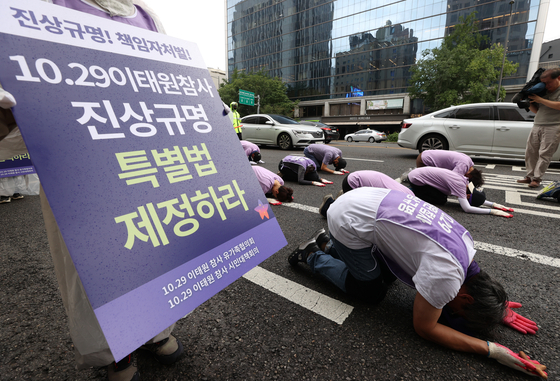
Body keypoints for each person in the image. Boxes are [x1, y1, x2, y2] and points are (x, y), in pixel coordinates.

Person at [0, 1, 183, 380]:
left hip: (150, 159)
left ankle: (156, 330)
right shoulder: (42, 6)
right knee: (94, 263)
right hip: (78, 164)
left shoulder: (146, 15)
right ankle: (115, 349)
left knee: (155, 246)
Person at [289, 187, 546, 378]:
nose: (450, 310)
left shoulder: (467, 247)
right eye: (457, 311)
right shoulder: (446, 277)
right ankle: (312, 253)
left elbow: (473, 282)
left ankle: (328, 243)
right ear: (467, 298)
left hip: (367, 200)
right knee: (371, 291)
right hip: (348, 220)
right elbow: (425, 328)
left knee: (387, 275)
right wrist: (494, 350)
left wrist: (496, 307)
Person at [404, 167, 513, 217]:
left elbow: (475, 196)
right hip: (417, 179)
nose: (465, 197)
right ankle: (411, 190)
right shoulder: (460, 185)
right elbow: (467, 208)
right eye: (467, 197)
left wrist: (493, 204)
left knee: (443, 195)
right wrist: (492, 211)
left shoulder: (466, 181)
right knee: (441, 200)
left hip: (419, 172)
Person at [517, 68, 560, 188]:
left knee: (545, 154)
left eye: (548, 83)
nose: (546, 86)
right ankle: (529, 176)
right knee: (530, 152)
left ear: (558, 78)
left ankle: (537, 179)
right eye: (543, 83)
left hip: (554, 125)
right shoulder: (543, 91)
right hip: (537, 124)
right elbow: (538, 110)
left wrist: (541, 100)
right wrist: (528, 102)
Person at [318, 170, 414, 217]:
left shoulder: (409, 194)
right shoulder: (399, 199)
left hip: (359, 177)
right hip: (353, 182)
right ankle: (328, 206)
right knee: (355, 214)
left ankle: (343, 197)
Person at [416, 150, 484, 187]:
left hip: (427, 153)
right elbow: (451, 179)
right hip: (424, 161)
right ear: (469, 176)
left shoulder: (469, 161)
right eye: (468, 179)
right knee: (432, 184)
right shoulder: (463, 166)